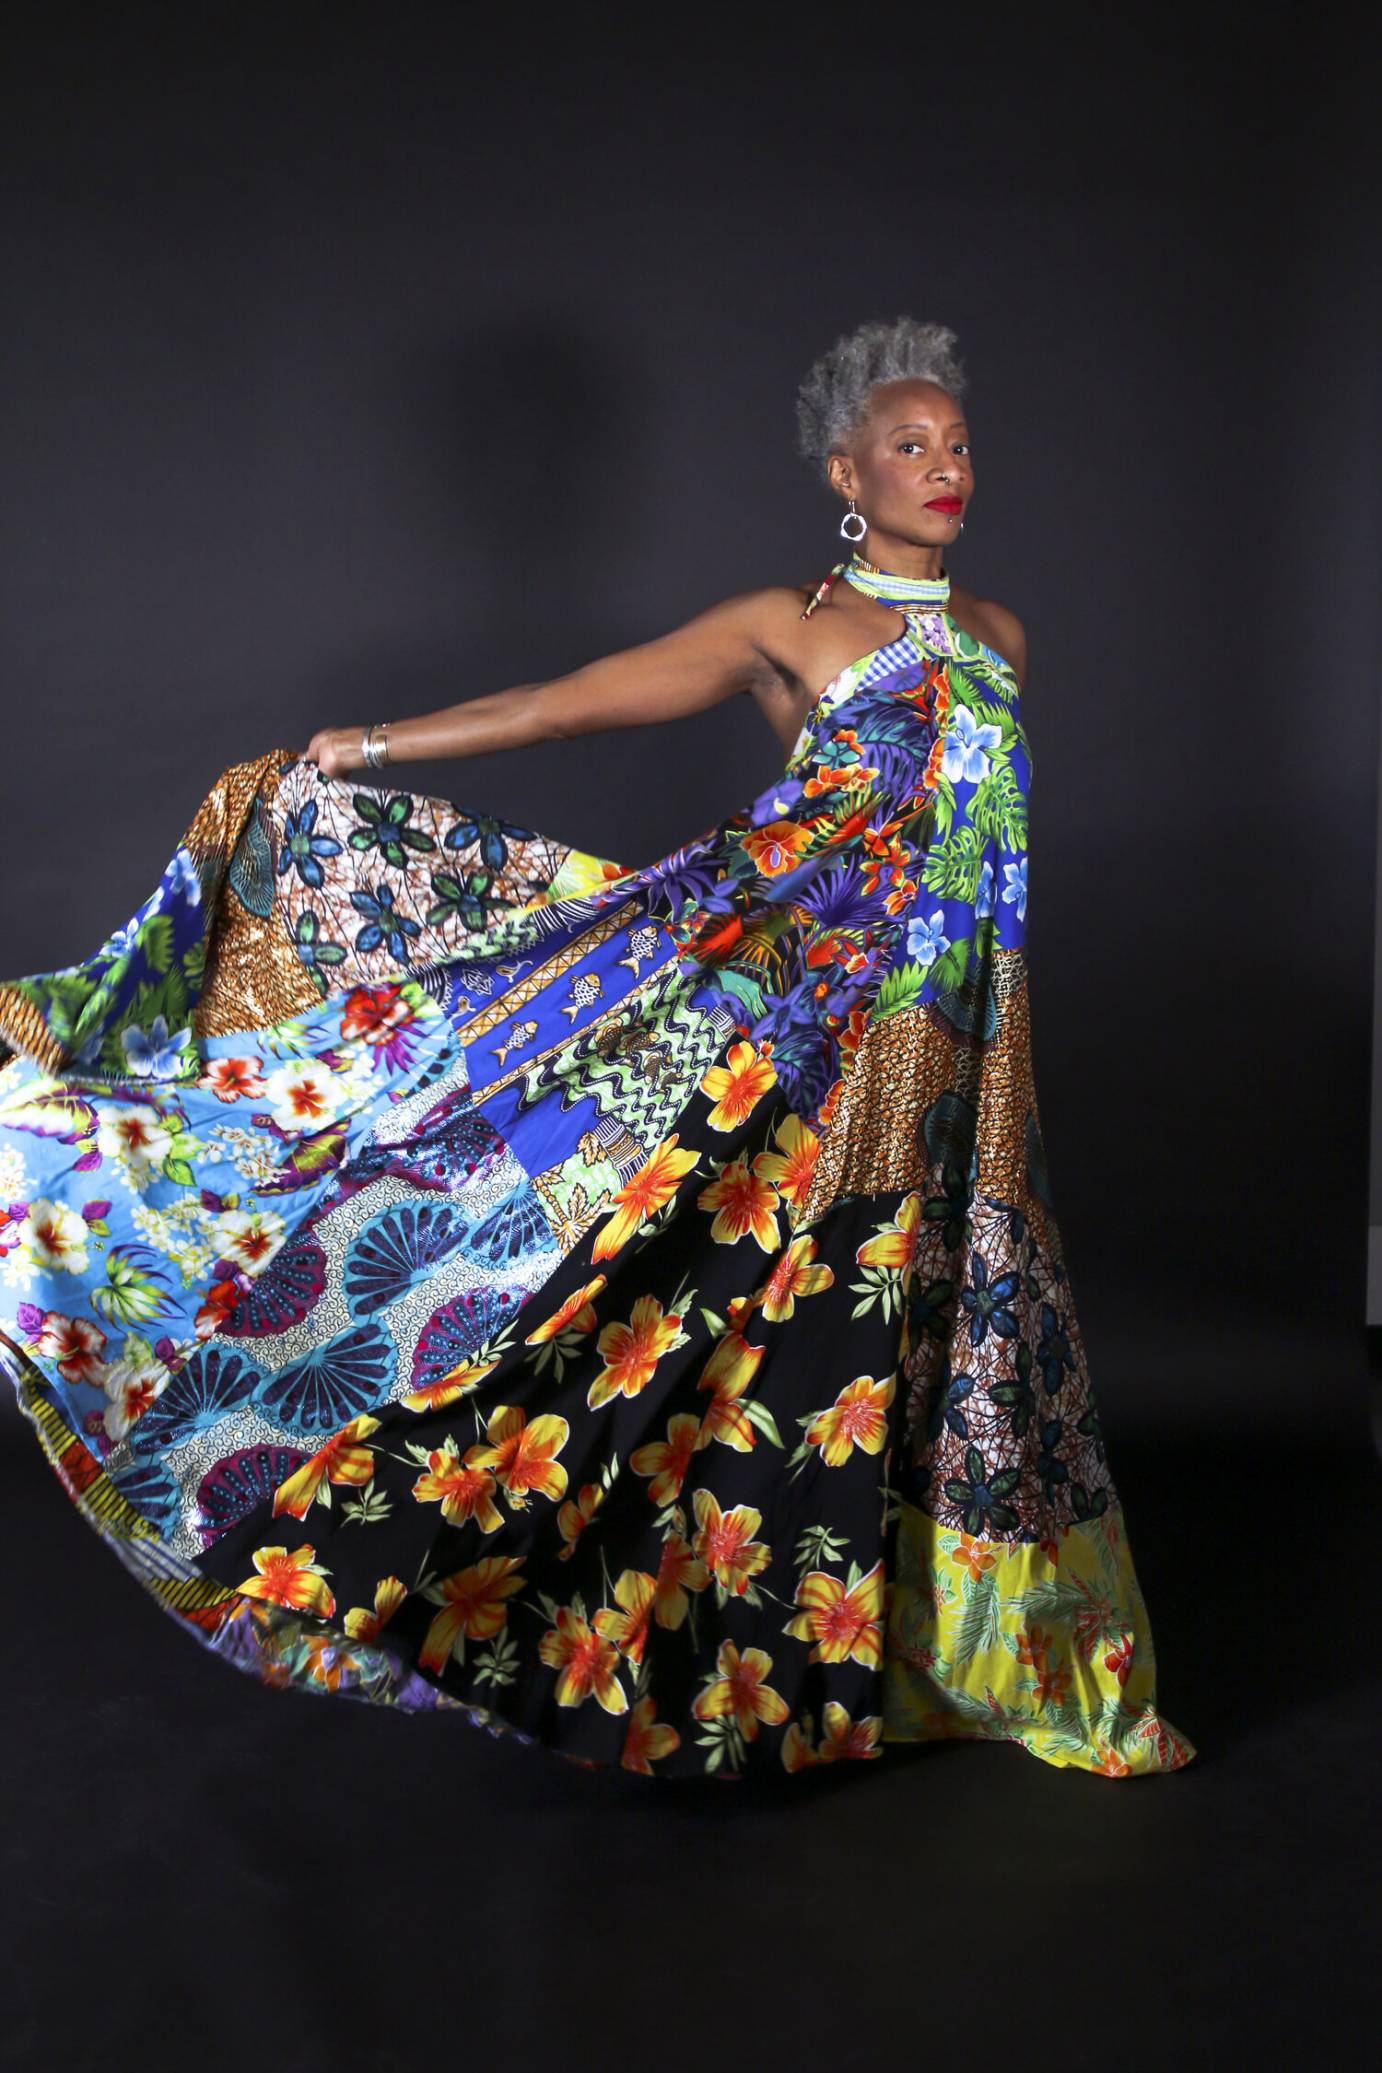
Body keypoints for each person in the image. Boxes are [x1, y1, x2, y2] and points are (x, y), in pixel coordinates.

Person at [0, 315, 1195, 1781]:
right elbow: (559, 705)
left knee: (937, 1317)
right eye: (909, 444)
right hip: (797, 1030)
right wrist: (369, 747)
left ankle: (948, 1650)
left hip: (959, 1053)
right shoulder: (788, 625)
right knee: (728, 1317)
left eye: (956, 444)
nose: (944, 467)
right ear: (846, 471)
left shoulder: (1002, 638)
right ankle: (649, 1627)